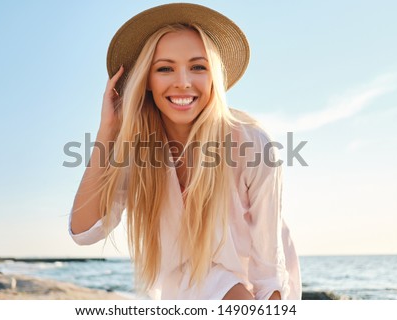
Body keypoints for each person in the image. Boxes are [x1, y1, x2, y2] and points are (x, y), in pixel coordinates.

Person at [69, 3, 301, 300]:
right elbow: (85, 231)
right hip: (186, 293)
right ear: (147, 81)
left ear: (214, 76)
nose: (182, 82)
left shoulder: (253, 144)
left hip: (253, 292)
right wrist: (108, 132)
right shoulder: (138, 149)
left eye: (198, 67)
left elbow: (269, 273)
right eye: (164, 68)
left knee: (233, 289)